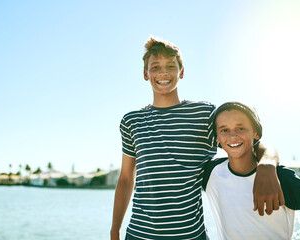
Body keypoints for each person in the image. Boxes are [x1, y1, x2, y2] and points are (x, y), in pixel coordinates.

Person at [110, 37, 284, 240]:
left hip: (191, 235)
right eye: (155, 67)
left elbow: (250, 141)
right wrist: (115, 230)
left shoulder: (204, 114)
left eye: (170, 66)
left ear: (181, 72)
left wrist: (267, 166)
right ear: (145, 74)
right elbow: (125, 179)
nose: (163, 72)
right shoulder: (132, 121)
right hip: (139, 234)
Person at [202, 102, 300, 240]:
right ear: (217, 138)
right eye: (224, 130)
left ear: (256, 133)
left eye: (241, 128)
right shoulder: (211, 173)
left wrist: (267, 165)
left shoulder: (278, 176)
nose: (232, 136)